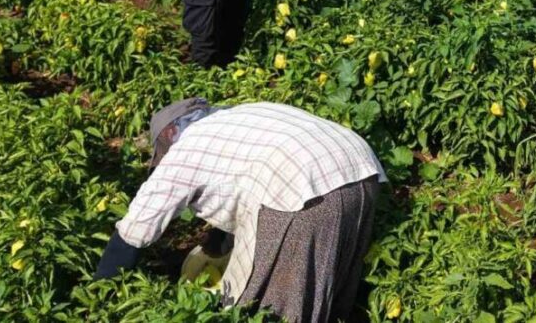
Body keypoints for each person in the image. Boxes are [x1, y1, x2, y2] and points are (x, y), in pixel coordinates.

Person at [93, 98, 386, 323]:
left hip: (301, 189)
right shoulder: (242, 116)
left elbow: (136, 227)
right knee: (331, 280)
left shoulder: (187, 147)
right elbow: (235, 181)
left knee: (274, 305)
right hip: (362, 169)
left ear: (171, 134)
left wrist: (101, 292)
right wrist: (218, 243)